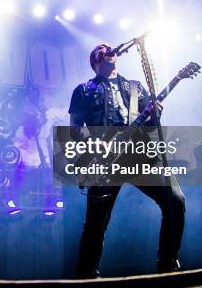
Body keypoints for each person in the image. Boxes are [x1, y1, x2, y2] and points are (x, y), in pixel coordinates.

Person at [69, 43, 186, 277]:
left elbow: (150, 124)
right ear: (94, 61)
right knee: (96, 223)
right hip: (104, 162)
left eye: (108, 46)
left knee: (175, 200)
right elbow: (75, 129)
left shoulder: (135, 88)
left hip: (139, 155)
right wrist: (98, 147)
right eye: (101, 48)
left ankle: (167, 262)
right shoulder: (83, 90)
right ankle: (86, 275)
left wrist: (155, 114)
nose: (107, 48)